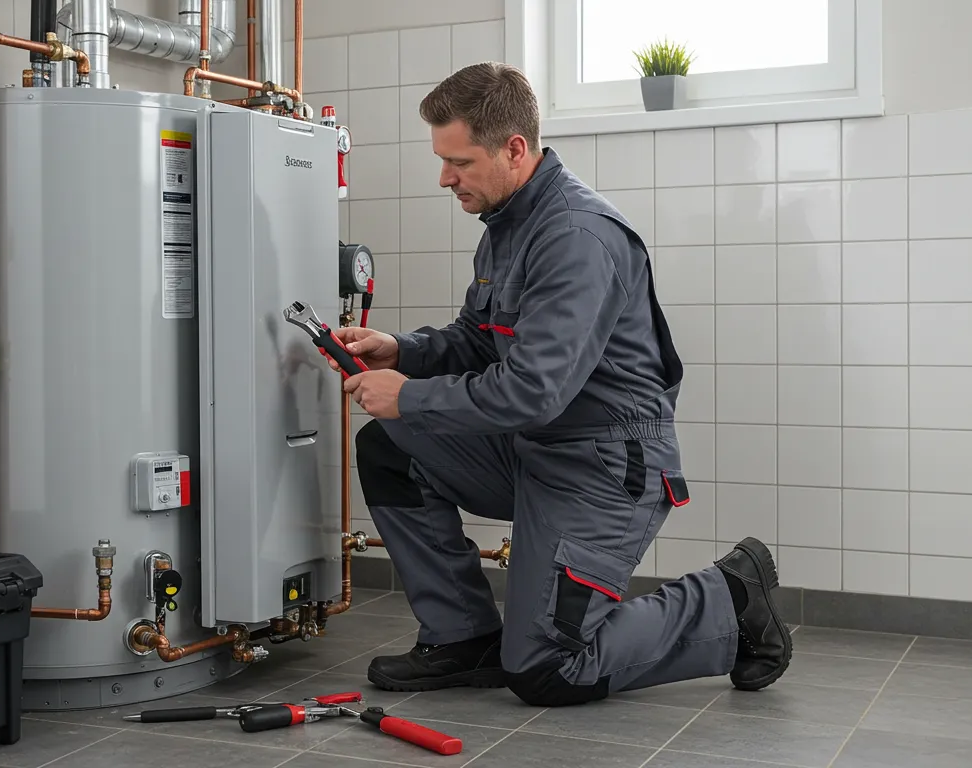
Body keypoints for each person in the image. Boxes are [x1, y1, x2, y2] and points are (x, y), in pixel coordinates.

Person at [326, 62, 793, 706]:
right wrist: (400, 350)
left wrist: (408, 394)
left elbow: (530, 389)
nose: (444, 178)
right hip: (535, 446)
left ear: (514, 149)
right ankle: (464, 637)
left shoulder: (575, 236)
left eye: (457, 161)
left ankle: (732, 597)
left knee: (550, 668)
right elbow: (478, 339)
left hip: (603, 465)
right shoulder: (507, 223)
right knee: (391, 447)